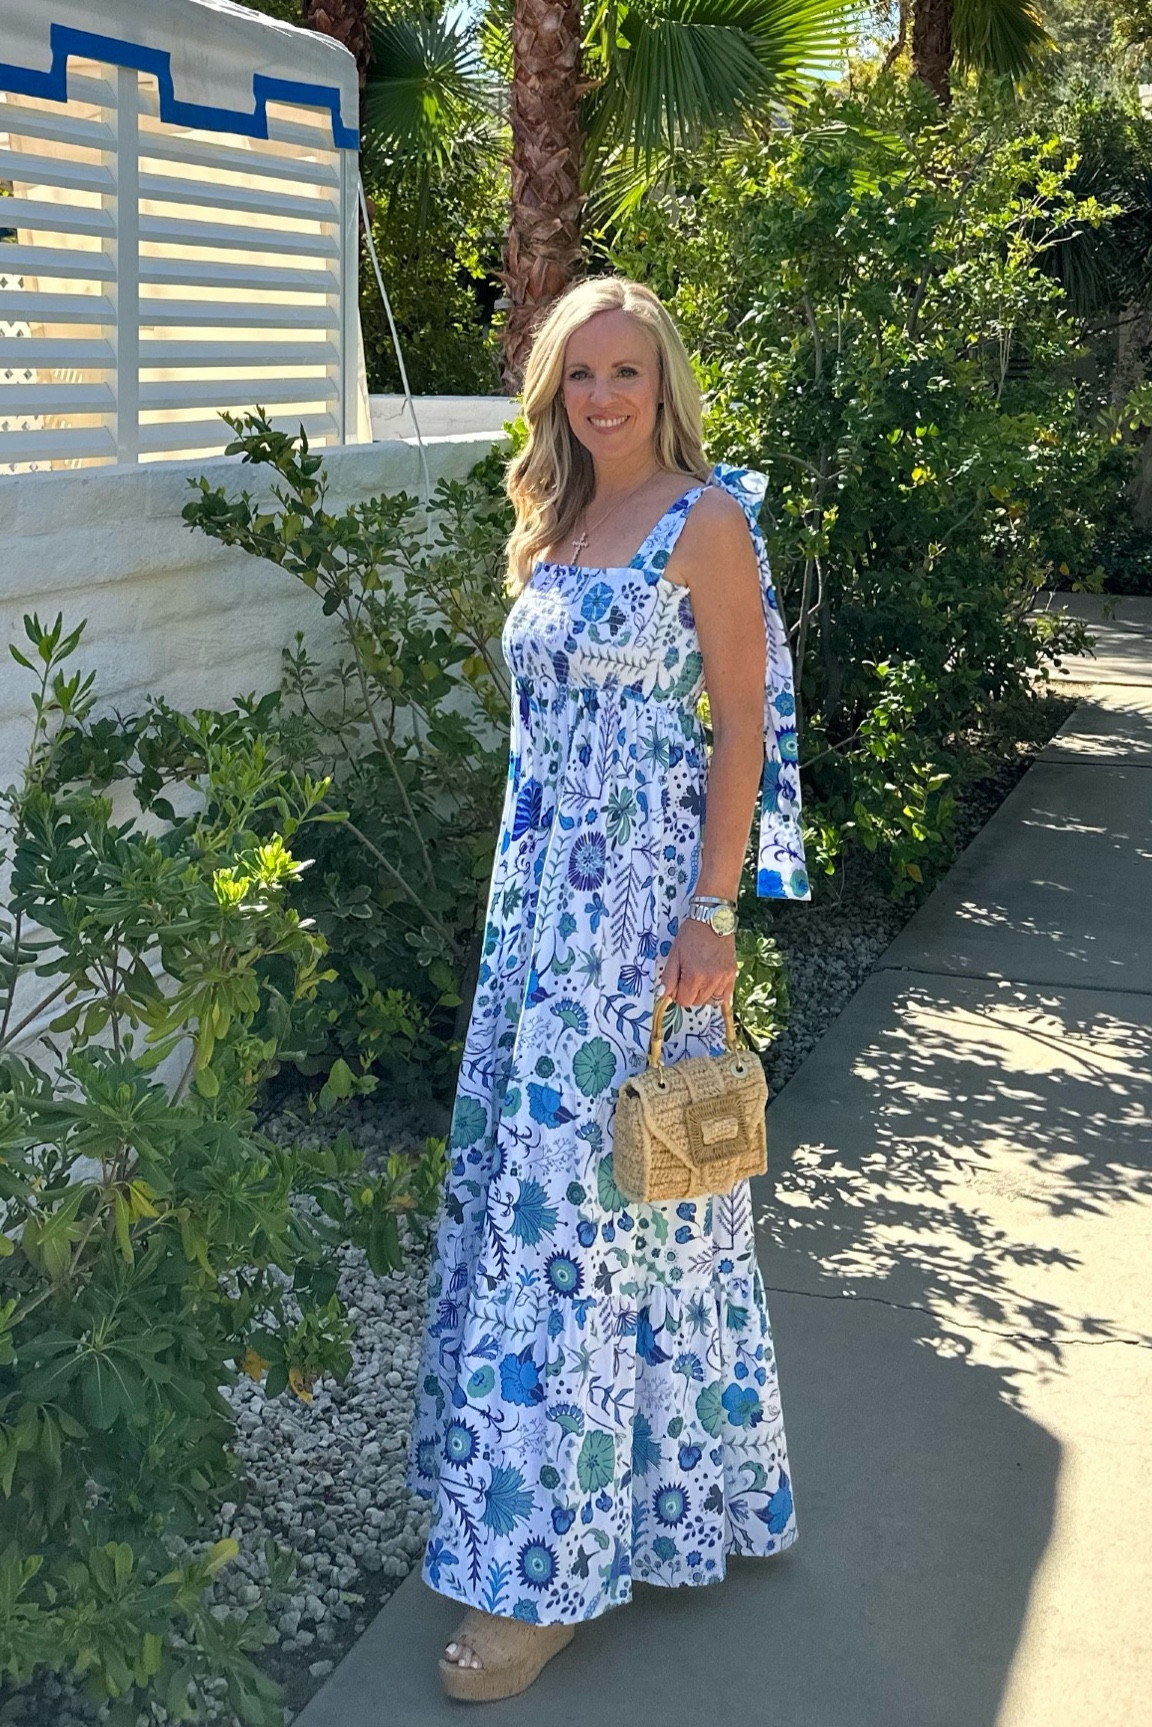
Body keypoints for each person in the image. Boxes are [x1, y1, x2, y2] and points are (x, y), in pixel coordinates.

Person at [409, 275, 810, 1703]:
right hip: (540, 914)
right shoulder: (555, 518)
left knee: (592, 1213)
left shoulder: (708, 523)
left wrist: (716, 911)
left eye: (626, 371)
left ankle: (546, 1575)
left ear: (665, 383)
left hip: (640, 920)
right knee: (584, 1206)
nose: (602, 397)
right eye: (579, 375)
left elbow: (745, 725)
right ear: (554, 394)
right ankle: (647, 1504)